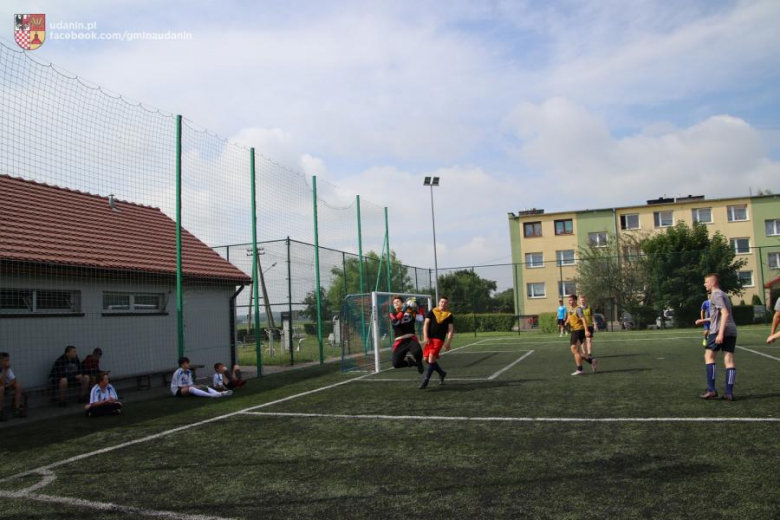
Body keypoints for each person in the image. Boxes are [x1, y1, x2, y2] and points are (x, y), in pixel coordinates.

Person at [695, 273, 737, 401]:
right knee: (729, 360)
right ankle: (729, 393)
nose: (704, 284)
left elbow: (724, 314)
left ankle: (711, 390)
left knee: (709, 356)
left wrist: (719, 333)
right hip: (731, 330)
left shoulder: (715, 294)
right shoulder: (723, 294)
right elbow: (718, 314)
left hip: (719, 330)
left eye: (706, 282)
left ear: (713, 283)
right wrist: (704, 320)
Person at [420, 296, 454, 389]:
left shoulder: (449, 315)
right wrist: (425, 336)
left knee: (431, 358)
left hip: (439, 340)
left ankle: (426, 380)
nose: (443, 303)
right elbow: (426, 324)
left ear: (447, 304)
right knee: (426, 359)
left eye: (445, 302)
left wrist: (448, 342)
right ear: (439, 302)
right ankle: (442, 373)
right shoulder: (432, 311)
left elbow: (450, 329)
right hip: (429, 339)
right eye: (442, 302)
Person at [389, 295, 424, 374]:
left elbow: (421, 318)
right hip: (400, 341)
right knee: (396, 364)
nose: (396, 303)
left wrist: (420, 307)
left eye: (398, 302)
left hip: (410, 339)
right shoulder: (392, 313)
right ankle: (411, 363)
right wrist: (403, 311)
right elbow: (396, 322)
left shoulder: (410, 311)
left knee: (417, 352)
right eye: (394, 303)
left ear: (403, 303)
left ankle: (419, 362)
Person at [565, 294, 596, 375]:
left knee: (574, 349)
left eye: (571, 300)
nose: (570, 302)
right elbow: (569, 318)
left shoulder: (578, 309)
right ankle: (591, 360)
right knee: (575, 351)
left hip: (579, 331)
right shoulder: (571, 309)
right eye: (569, 301)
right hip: (574, 331)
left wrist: (586, 331)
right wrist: (566, 323)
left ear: (575, 300)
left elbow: (584, 320)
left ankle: (580, 369)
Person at [0, 352, 26, 420]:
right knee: (1, 388)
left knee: (18, 386)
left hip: (5, 385)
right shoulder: (4, 368)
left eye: (8, 360)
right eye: (6, 360)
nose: (8, 362)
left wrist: (8, 385)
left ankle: (17, 408)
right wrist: (5, 370)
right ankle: (0, 411)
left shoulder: (7, 368)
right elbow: (2, 383)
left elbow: (13, 379)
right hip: (1, 386)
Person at [578, 294, 598, 369]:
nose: (582, 301)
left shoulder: (589, 308)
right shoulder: (578, 308)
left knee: (589, 340)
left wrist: (595, 324)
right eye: (581, 300)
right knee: (583, 342)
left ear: (585, 300)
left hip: (589, 326)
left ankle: (589, 354)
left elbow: (592, 316)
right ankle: (585, 354)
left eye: (583, 300)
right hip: (582, 327)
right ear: (579, 301)